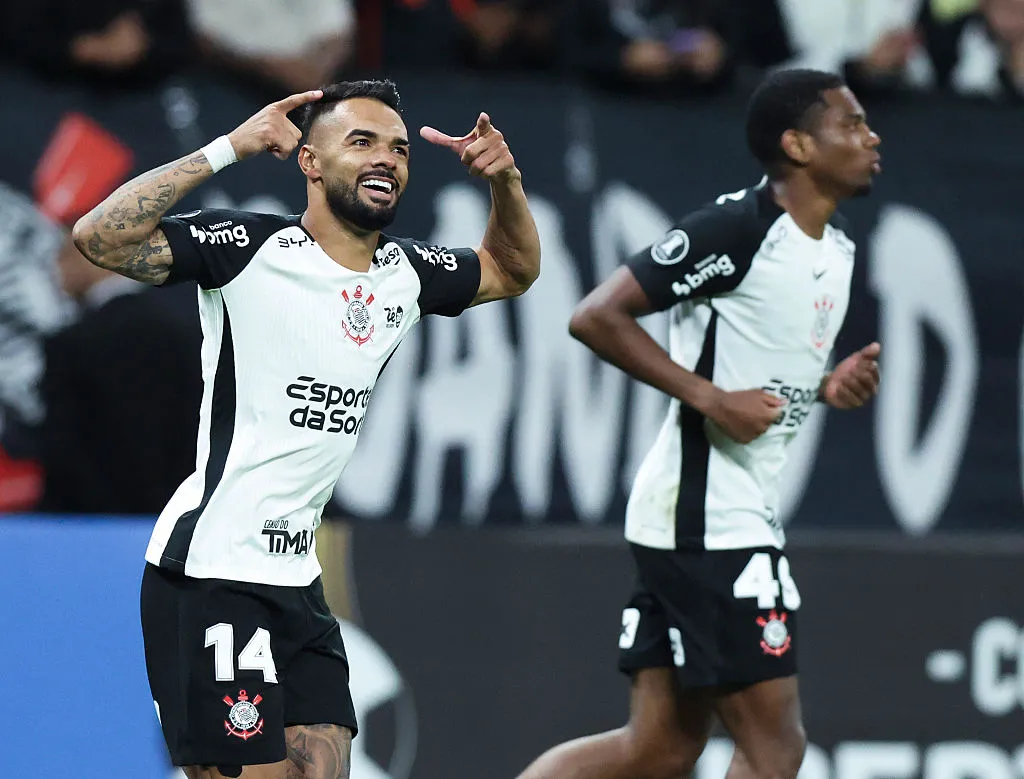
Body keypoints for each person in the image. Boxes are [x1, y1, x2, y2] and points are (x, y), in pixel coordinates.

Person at [71, 79, 541, 779]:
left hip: (297, 580)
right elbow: (98, 237)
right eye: (361, 142)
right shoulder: (247, 249)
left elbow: (513, 268)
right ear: (310, 163)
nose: (387, 158)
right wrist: (231, 147)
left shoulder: (406, 273)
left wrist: (504, 179)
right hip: (212, 571)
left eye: (399, 148)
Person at [515, 68, 881, 779]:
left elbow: (762, 357)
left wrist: (827, 385)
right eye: (852, 123)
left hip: (710, 512)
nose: (872, 136)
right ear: (797, 146)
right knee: (776, 747)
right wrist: (712, 399)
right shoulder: (739, 228)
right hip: (707, 515)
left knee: (658, 747)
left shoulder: (835, 248)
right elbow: (596, 315)